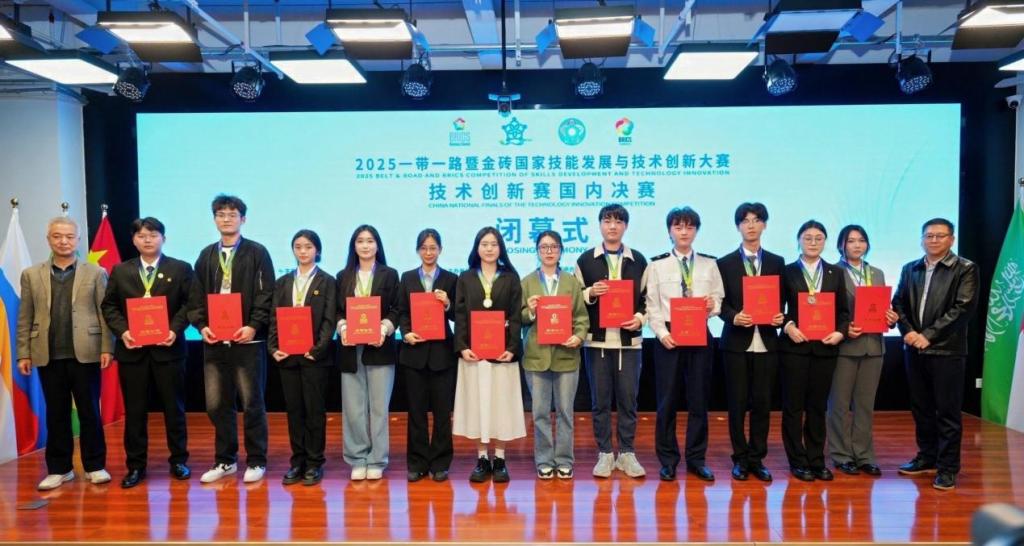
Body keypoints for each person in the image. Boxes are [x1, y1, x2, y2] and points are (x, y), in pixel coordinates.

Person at [16, 216, 114, 490]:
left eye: (70, 236)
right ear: (48, 239)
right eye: (57, 236)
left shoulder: (95, 272)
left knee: (89, 411)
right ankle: (60, 469)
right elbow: (25, 317)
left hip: (86, 353)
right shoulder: (31, 274)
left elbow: (104, 314)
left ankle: (95, 466)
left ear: (78, 240)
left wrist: (107, 347)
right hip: (47, 354)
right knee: (56, 413)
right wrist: (23, 353)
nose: (63, 241)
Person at [187, 194, 275, 484]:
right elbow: (195, 296)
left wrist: (253, 326)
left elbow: (266, 294)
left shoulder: (257, 252)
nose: (226, 219)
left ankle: (257, 460)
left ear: (243, 219)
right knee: (217, 404)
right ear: (214, 219)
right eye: (221, 214)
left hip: (247, 342)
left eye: (232, 214)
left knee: (252, 402)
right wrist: (202, 326)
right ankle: (225, 460)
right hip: (214, 342)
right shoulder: (206, 255)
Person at [100, 217, 193, 488]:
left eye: (153, 235)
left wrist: (174, 329)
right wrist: (123, 332)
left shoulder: (180, 268)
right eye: (141, 236)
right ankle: (135, 466)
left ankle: (179, 460)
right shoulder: (121, 271)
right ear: (134, 240)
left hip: (169, 350)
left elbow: (190, 304)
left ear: (164, 238)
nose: (147, 240)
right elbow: (109, 306)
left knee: (174, 409)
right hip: (133, 352)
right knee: (135, 412)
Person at [892, 218, 979, 491]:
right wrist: (908, 331)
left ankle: (948, 468)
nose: (934, 240)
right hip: (913, 348)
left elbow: (963, 308)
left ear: (951, 239)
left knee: (947, 412)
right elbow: (898, 303)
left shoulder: (965, 268)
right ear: (921, 240)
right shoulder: (910, 268)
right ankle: (926, 457)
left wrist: (927, 335)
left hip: (946, 350)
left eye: (940, 236)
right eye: (929, 235)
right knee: (921, 408)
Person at [645, 207, 724, 482]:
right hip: (669, 336)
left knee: (699, 400)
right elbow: (652, 305)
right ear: (669, 231)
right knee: (667, 401)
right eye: (678, 227)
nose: (684, 232)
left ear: (696, 231)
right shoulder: (656, 265)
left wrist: (713, 306)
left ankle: (696, 459)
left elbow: (718, 298)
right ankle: (668, 460)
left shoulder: (709, 264)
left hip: (700, 334)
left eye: (690, 227)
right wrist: (660, 333)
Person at [574, 204, 648, 479]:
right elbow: (575, 299)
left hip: (629, 343)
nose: (613, 226)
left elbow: (648, 299)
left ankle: (627, 453)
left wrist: (640, 318)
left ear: (625, 226)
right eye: (607, 221)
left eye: (618, 221)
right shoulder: (585, 260)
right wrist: (591, 293)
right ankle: (605, 453)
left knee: (628, 400)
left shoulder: (638, 260)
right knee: (600, 401)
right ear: (600, 225)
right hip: (597, 342)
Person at [715, 202, 786, 482]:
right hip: (736, 342)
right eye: (745, 221)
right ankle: (740, 458)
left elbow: (782, 301)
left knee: (762, 403)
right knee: (737, 403)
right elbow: (720, 304)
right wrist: (734, 317)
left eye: (756, 220)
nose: (751, 225)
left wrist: (780, 317)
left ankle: (757, 458)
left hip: (767, 341)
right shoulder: (724, 263)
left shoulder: (777, 262)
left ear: (764, 225)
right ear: (738, 227)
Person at [779, 220, 850, 482]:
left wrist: (840, 332)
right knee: (793, 407)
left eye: (818, 238)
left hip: (825, 348)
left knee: (818, 407)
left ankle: (817, 460)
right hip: (795, 348)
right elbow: (777, 309)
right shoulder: (786, 271)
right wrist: (788, 327)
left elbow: (844, 311)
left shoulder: (835, 272)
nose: (813, 242)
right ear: (799, 240)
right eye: (807, 237)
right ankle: (797, 461)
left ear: (825, 242)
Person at [453, 227, 525, 483]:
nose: (489, 248)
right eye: (484, 244)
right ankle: (482, 458)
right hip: (474, 354)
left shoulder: (510, 278)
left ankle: (501, 459)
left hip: (502, 354)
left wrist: (512, 348)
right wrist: (462, 346)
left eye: (494, 244)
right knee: (478, 405)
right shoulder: (466, 278)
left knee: (501, 406)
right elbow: (460, 315)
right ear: (477, 248)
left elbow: (515, 316)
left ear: (500, 248)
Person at [827, 225, 898, 477]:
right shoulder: (832, 272)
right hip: (845, 346)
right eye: (851, 241)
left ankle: (865, 455)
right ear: (841, 245)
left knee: (865, 405)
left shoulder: (877, 273)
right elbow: (827, 311)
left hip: (873, 346)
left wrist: (891, 318)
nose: (857, 245)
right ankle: (841, 454)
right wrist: (844, 329)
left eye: (861, 240)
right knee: (839, 404)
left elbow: (881, 308)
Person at [268, 229, 336, 486]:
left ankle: (315, 462)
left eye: (308, 246)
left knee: (314, 411)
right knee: (294, 411)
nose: (303, 251)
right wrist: (273, 347)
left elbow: (329, 320)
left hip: (314, 357)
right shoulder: (283, 282)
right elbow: (274, 317)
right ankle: (297, 461)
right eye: (298, 246)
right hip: (287, 357)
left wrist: (317, 349)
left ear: (317, 250)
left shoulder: (327, 281)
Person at [521, 230, 588, 480]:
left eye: (554, 247)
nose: (549, 251)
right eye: (544, 247)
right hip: (536, 357)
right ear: (537, 251)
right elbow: (518, 317)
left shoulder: (571, 282)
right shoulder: (527, 282)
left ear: (561, 251)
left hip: (566, 356)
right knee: (539, 413)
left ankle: (564, 459)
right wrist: (530, 311)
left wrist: (578, 336)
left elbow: (581, 317)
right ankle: (544, 460)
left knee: (565, 412)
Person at [335, 224, 400, 481]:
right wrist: (342, 327)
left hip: (379, 347)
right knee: (353, 408)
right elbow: (337, 310)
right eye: (360, 241)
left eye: (370, 241)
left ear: (377, 245)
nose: (365, 245)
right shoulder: (343, 276)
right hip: (350, 349)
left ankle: (377, 459)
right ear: (354, 246)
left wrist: (384, 328)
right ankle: (357, 458)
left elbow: (397, 309)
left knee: (379, 408)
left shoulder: (389, 274)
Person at [396, 228, 458, 483]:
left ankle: (441, 462)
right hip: (414, 353)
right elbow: (402, 311)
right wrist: (406, 333)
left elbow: (458, 315)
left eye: (433, 248)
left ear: (440, 250)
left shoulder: (451, 279)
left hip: (442, 354)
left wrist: (448, 304)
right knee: (416, 412)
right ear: (418, 250)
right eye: (424, 248)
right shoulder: (407, 277)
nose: (429, 252)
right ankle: (417, 462)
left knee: (443, 413)